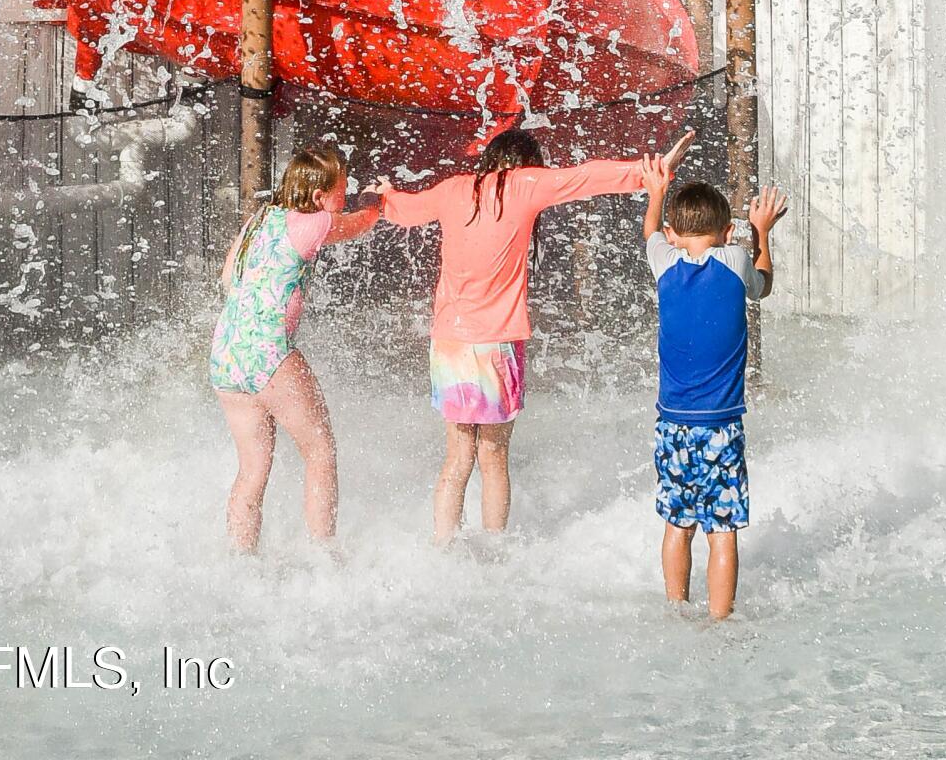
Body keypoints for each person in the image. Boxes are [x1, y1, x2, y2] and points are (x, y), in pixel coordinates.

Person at [381, 123, 692, 546]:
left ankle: (443, 548)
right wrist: (650, 171)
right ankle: (495, 556)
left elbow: (405, 209)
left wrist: (384, 195)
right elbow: (585, 177)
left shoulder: (453, 190)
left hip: (449, 344)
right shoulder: (523, 184)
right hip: (496, 344)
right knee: (493, 457)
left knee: (457, 458)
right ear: (525, 164)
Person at [210, 143, 379, 550]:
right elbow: (360, 223)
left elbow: (227, 278)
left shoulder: (260, 218)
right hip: (269, 352)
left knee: (251, 471)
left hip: (227, 352)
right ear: (320, 197)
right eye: (343, 187)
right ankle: (324, 559)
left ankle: (240, 559)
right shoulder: (315, 222)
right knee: (320, 451)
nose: (347, 192)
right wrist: (376, 202)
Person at [641, 157, 789, 620]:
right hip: (721, 427)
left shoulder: (664, 263)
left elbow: (651, 234)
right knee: (721, 531)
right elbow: (761, 287)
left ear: (673, 233)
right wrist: (762, 231)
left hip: (672, 424)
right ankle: (722, 623)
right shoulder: (736, 258)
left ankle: (675, 610)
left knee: (677, 523)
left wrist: (656, 191)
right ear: (727, 231)